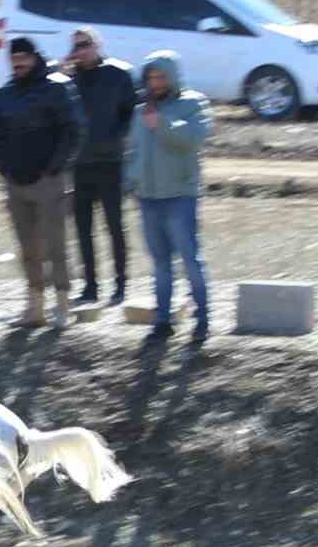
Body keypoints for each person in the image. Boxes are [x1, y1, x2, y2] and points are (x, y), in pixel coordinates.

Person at [125, 50, 212, 346]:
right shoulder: (140, 112)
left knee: (190, 259)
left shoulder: (193, 103)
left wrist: (161, 124)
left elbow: (194, 138)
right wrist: (130, 180)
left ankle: (203, 317)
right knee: (160, 263)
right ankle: (163, 320)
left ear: (172, 77)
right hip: (148, 198)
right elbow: (132, 151)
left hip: (179, 196)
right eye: (151, 77)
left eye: (161, 76)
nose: (156, 82)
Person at [0, 36, 81, 328]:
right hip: (15, 182)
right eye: (14, 57)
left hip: (48, 181)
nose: (18, 62)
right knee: (27, 247)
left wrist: (54, 168)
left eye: (23, 57)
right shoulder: (4, 94)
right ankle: (35, 308)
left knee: (55, 245)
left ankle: (63, 305)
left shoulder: (56, 87)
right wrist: (4, 167)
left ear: (34, 57)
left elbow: (72, 131)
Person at [67, 26, 137, 305]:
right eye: (76, 46)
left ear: (98, 45)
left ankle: (120, 284)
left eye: (85, 44)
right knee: (83, 229)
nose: (81, 50)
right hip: (80, 164)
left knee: (115, 227)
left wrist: (116, 140)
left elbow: (131, 112)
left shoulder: (118, 74)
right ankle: (90, 286)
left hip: (110, 162)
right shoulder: (69, 80)